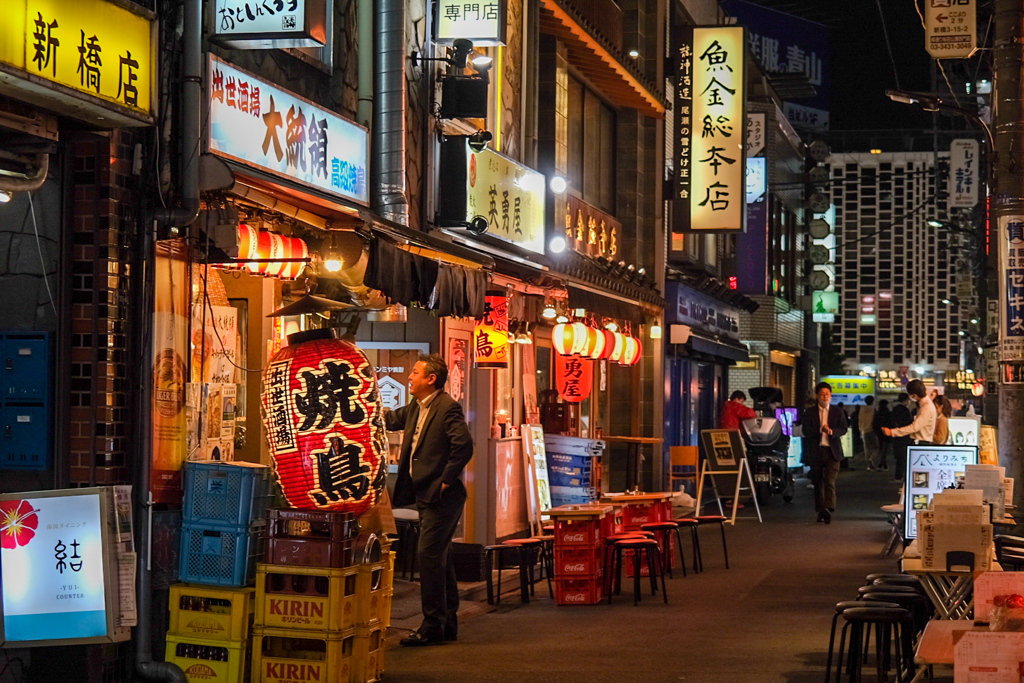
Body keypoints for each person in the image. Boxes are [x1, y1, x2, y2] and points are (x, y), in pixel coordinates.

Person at [385, 354, 473, 646]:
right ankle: (446, 623)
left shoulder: (447, 407)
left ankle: (432, 624)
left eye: (415, 372)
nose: (409, 377)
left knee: (429, 556)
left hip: (442, 497)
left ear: (430, 379)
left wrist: (445, 481)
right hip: (423, 493)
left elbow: (463, 446)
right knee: (439, 557)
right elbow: (390, 419)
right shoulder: (416, 407)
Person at [800, 382, 848, 524]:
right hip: (816, 451)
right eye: (822, 394)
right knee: (817, 482)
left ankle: (828, 507)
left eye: (827, 394)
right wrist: (819, 430)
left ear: (831, 395)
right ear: (816, 396)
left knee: (829, 481)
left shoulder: (837, 411)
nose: (825, 396)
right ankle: (821, 509)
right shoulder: (809, 413)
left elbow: (844, 428)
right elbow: (805, 431)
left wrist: (832, 432)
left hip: (832, 452)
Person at [883, 380, 937, 478]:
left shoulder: (926, 407)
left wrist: (892, 432)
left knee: (917, 474)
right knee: (916, 473)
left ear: (914, 395)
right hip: (921, 443)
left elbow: (915, 427)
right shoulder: (925, 405)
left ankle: (915, 492)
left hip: (921, 443)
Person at [887, 393, 913, 480]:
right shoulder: (905, 410)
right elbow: (908, 423)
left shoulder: (895, 409)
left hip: (895, 434)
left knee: (898, 456)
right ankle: (902, 475)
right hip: (904, 435)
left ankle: (898, 475)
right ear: (906, 400)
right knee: (903, 457)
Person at [859, 396, 879, 470]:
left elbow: (860, 420)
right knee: (876, 447)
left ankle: (868, 465)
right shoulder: (873, 410)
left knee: (867, 448)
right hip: (872, 430)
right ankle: (872, 458)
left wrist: (860, 429)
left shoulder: (861, 409)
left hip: (864, 430)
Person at [873, 399, 892, 471]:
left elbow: (875, 424)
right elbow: (890, 423)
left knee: (881, 449)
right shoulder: (888, 413)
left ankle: (883, 464)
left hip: (879, 433)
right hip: (887, 433)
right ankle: (881, 464)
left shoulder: (877, 413)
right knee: (884, 449)